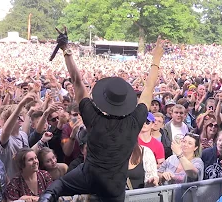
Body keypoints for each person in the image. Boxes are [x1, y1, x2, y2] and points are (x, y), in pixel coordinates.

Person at [38, 28, 164, 202]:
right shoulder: (135, 121)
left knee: (56, 187)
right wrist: (156, 58)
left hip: (88, 175)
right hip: (113, 187)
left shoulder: (93, 117)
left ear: (104, 98)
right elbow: (149, 88)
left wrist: (66, 49)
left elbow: (77, 81)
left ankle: (46, 198)